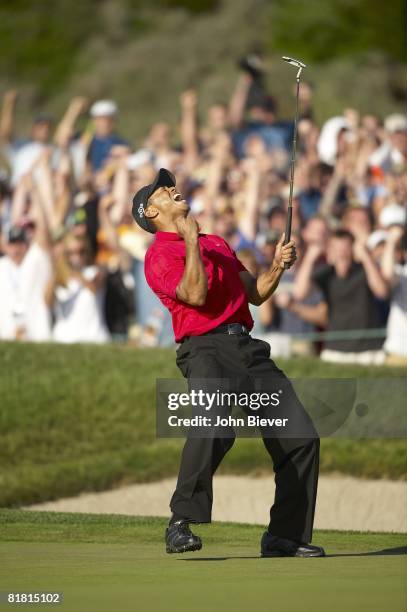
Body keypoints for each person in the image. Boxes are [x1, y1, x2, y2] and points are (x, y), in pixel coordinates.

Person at [132, 168, 324, 558]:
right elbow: (196, 296)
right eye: (162, 191)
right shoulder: (159, 255)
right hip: (204, 350)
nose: (172, 189)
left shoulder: (216, 242)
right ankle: (180, 522)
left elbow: (256, 294)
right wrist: (188, 241)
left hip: (247, 349)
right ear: (150, 213)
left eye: (170, 185)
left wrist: (277, 266)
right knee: (214, 426)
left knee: (301, 436)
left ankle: (284, 536)